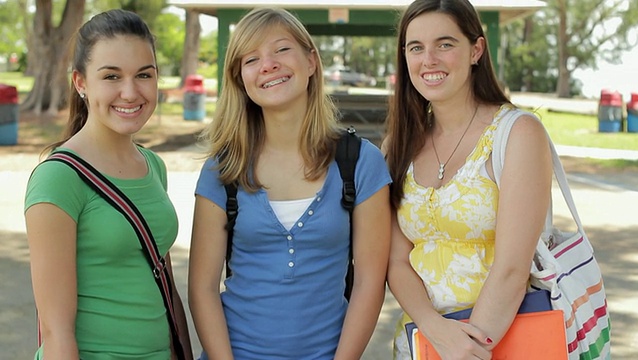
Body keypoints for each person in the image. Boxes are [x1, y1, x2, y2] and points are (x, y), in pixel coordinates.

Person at [188, 7, 391, 360]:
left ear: (311, 61)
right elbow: (202, 289)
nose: (268, 65)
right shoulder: (222, 168)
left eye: (281, 49)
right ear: (240, 78)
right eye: (251, 59)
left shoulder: (360, 161)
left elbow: (369, 283)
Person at [383, 0, 553, 359]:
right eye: (416, 47)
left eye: (445, 44)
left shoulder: (517, 133)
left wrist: (468, 349)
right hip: (421, 343)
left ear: (476, 49)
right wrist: (434, 330)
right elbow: (396, 261)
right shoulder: (398, 145)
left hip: (501, 341)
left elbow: (511, 269)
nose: (429, 59)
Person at [24, 9, 192, 360]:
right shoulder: (58, 178)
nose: (130, 92)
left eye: (144, 75)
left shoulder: (153, 166)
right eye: (111, 76)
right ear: (81, 83)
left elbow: (163, 282)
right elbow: (56, 334)